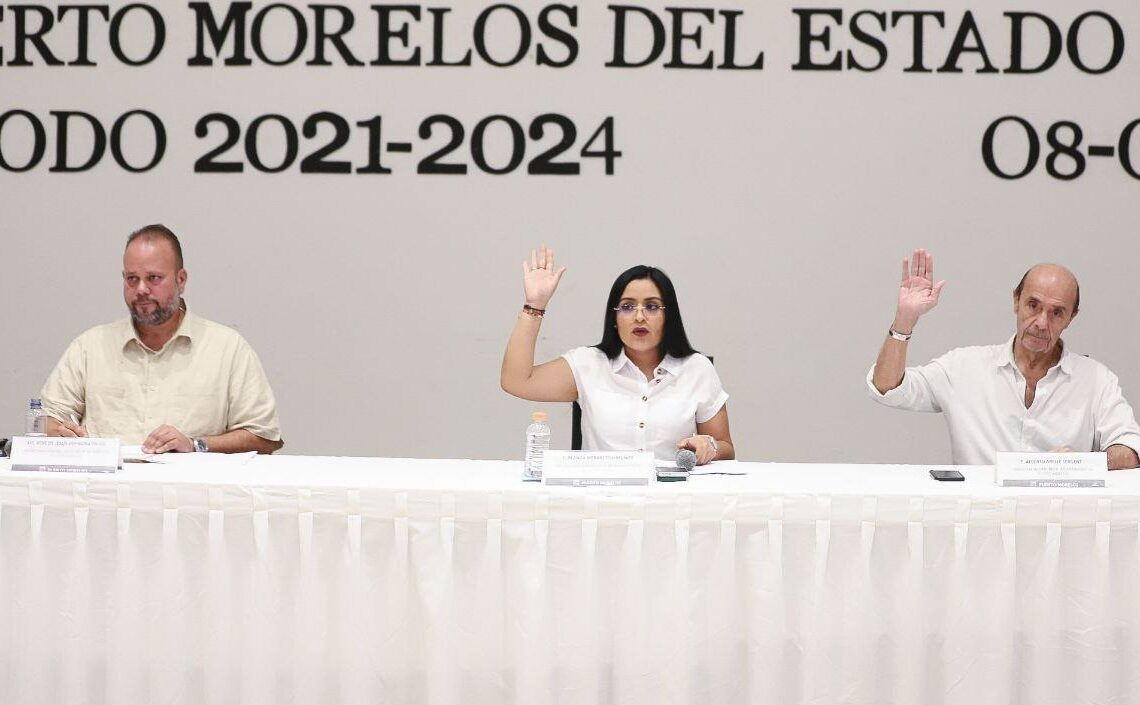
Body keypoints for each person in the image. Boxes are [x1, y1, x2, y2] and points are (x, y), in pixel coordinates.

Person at [868, 248, 1140, 469]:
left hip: (1062, 518)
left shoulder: (1095, 379)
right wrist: (904, 320)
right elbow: (887, 388)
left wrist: (1081, 464)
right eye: (1033, 305)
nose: (1041, 323)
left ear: (1071, 318)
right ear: (1016, 301)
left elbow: (1130, 449)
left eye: (1057, 312)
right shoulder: (964, 367)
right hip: (981, 517)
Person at [40, 224, 284, 454]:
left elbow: (264, 437)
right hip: (106, 484)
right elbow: (46, 420)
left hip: (190, 485)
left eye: (154, 278)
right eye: (132, 278)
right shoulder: (90, 347)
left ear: (181, 280)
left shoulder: (227, 349)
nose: (141, 289)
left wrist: (195, 445)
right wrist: (57, 432)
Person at [500, 246, 733, 465]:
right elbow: (516, 381)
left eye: (652, 307)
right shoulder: (589, 364)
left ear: (668, 317)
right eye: (627, 307)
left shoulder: (696, 369)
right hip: (601, 492)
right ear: (614, 318)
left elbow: (726, 448)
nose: (639, 317)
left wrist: (709, 446)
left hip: (671, 492)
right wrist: (534, 305)